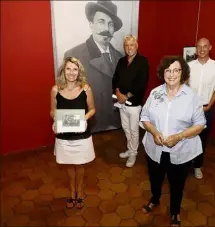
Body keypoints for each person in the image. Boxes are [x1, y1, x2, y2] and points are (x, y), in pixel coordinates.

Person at [140, 56, 206, 226]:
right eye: (168, 70)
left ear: (182, 73)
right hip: (155, 148)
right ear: (163, 73)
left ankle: (175, 211)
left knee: (177, 184)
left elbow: (200, 124)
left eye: (176, 70)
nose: (171, 74)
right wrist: (154, 132)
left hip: (181, 150)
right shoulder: (155, 93)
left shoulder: (192, 97)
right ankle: (155, 199)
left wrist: (179, 136)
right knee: (155, 178)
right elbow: (144, 117)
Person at [64, 0, 123, 133]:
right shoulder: (74, 55)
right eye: (101, 22)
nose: (106, 29)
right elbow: (66, 96)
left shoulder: (121, 57)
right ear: (91, 25)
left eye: (111, 24)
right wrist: (70, 132)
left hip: (116, 128)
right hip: (89, 128)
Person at [50, 57, 96, 209]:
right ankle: (72, 192)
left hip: (81, 135)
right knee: (69, 165)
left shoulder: (86, 88)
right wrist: (56, 120)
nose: (71, 72)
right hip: (64, 136)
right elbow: (52, 111)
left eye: (75, 69)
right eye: (68, 69)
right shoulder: (55, 89)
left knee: (80, 165)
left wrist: (84, 118)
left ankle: (80, 191)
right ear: (63, 70)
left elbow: (92, 110)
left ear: (79, 71)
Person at [188, 38, 215, 179]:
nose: (202, 49)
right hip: (189, 109)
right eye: (199, 47)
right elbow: (184, 87)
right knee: (187, 137)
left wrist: (209, 106)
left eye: (205, 46)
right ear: (196, 49)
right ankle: (186, 163)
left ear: (210, 47)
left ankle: (197, 166)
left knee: (202, 139)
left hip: (206, 109)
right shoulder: (189, 65)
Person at [112, 35, 149, 167]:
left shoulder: (143, 62)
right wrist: (117, 92)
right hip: (121, 102)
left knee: (133, 130)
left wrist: (126, 96)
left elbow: (141, 83)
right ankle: (130, 149)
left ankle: (133, 154)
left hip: (134, 104)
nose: (129, 48)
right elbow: (115, 78)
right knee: (126, 128)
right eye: (126, 45)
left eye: (131, 45)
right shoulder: (121, 61)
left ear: (137, 45)